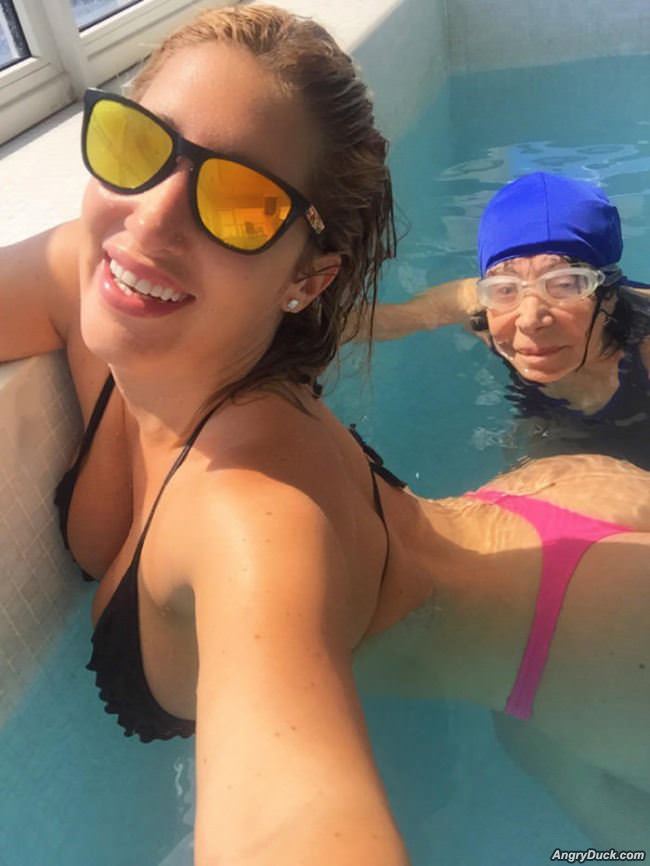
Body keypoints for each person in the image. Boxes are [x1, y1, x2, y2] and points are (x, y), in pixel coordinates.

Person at [1, 6, 649, 861]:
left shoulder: (252, 514)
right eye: (138, 145)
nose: (151, 219)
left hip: (593, 646)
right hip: (540, 511)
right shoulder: (98, 269)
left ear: (307, 279)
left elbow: (294, 826)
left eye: (241, 204)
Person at [360, 172, 650, 468]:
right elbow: (383, 322)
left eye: (564, 284)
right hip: (553, 427)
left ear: (609, 294)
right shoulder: (480, 309)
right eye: (506, 288)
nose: (529, 319)